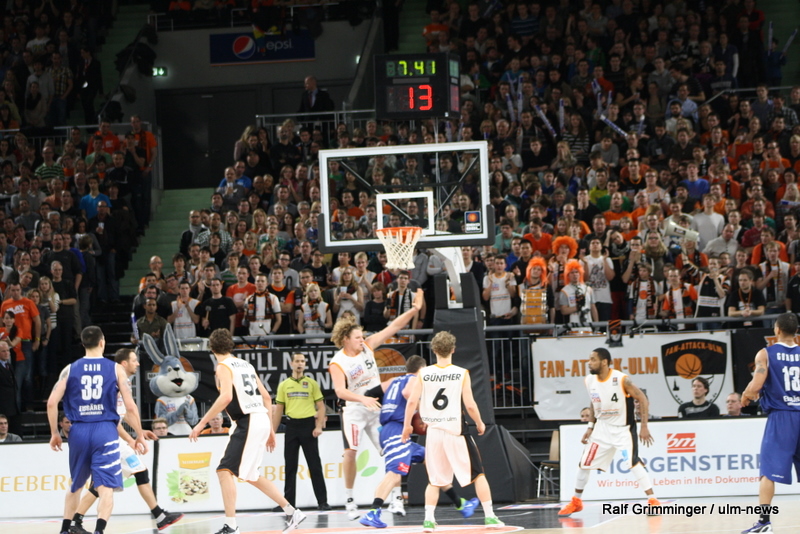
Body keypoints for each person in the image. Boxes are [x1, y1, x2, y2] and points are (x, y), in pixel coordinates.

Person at [189, 328, 306, 534]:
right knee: (251, 475)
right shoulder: (246, 365)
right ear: (230, 345)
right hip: (257, 418)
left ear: (212, 348)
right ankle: (292, 511)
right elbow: (267, 397)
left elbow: (226, 397)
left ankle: (231, 526)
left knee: (224, 470)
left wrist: (201, 423)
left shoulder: (223, 367)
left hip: (248, 420)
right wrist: (270, 430)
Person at [328, 288, 424, 520]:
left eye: (362, 336)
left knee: (393, 450)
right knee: (350, 452)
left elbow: (394, 327)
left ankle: (396, 499)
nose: (362, 340)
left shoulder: (368, 346)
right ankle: (350, 500)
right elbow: (340, 391)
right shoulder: (337, 362)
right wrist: (363, 398)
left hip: (376, 409)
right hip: (354, 409)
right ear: (346, 340)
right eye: (357, 338)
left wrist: (414, 309)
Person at [70, 349, 183, 534]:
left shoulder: (116, 380)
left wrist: (140, 431)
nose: (137, 363)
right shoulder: (117, 382)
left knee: (101, 485)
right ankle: (159, 516)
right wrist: (132, 438)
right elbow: (114, 420)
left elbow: (122, 416)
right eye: (134, 360)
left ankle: (76, 522)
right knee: (139, 472)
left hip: (101, 437)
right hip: (108, 439)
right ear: (124, 363)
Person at [47, 326, 147, 534]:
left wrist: (55, 433)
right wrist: (139, 435)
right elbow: (130, 406)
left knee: (76, 484)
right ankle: (99, 531)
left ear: (83, 344)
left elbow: (51, 403)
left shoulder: (70, 369)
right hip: (105, 430)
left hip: (78, 430)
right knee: (105, 487)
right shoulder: (116, 369)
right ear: (102, 342)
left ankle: (65, 530)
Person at [360, 355, 479, 528]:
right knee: (395, 473)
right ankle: (373, 512)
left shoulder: (394, 380)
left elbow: (371, 393)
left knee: (431, 461)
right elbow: (408, 394)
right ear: (422, 369)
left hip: (390, 428)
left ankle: (460, 503)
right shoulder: (415, 379)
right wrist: (424, 411)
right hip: (396, 430)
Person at [401, 331, 504, 531]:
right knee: (478, 475)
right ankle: (490, 516)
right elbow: (470, 405)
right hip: (455, 431)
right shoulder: (461, 373)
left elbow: (412, 401)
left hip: (433, 433)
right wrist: (480, 422)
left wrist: (407, 426)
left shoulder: (423, 373)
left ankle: (428, 520)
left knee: (435, 480)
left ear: (434, 350)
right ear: (453, 350)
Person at [558, 347, 660, 517]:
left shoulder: (621, 379)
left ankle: (653, 500)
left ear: (604, 362)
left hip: (623, 429)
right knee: (584, 464)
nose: (589, 363)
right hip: (601, 429)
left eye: (593, 359)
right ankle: (576, 501)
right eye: (589, 359)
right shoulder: (589, 380)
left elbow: (642, 398)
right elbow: (594, 402)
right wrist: (590, 426)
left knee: (633, 463)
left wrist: (644, 426)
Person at [741, 313, 800, 533]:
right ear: (796, 331)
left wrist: (746, 394)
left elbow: (756, 385)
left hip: (782, 417)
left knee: (768, 472)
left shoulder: (766, 353)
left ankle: (764, 523)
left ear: (777, 330)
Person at [272, 353, 329, 510]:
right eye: (297, 361)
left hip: (308, 426)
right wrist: (272, 432)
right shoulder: (284, 385)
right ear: (291, 363)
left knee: (314, 465)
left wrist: (318, 426)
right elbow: (279, 410)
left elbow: (321, 407)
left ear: (305, 364)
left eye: (302, 361)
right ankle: (288, 504)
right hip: (291, 425)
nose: (300, 364)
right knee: (290, 467)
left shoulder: (311, 383)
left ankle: (323, 502)